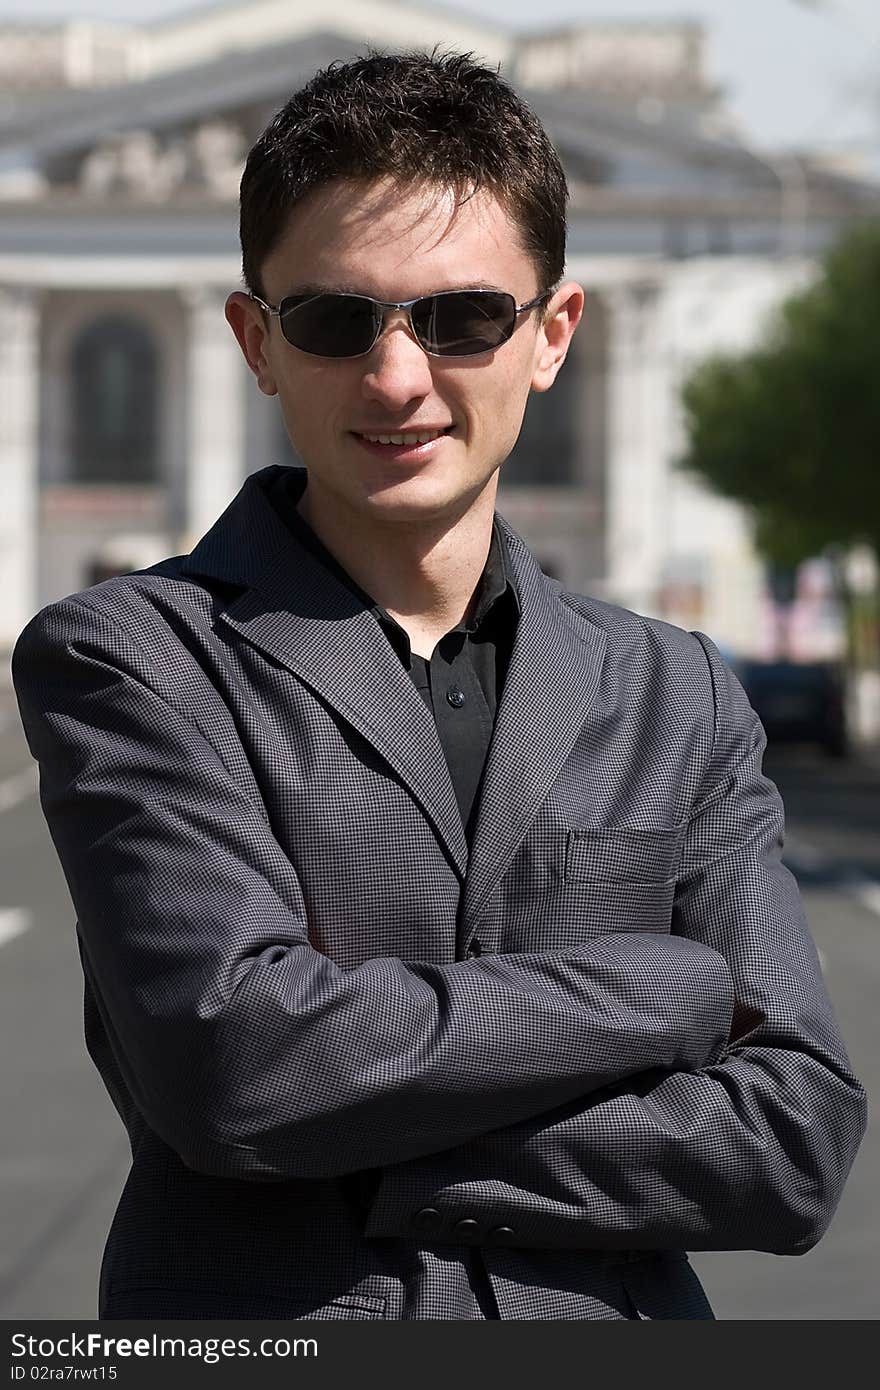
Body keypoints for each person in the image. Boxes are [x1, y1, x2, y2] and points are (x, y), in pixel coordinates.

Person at [11, 51, 866, 1322]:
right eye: (334, 319)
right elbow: (242, 1069)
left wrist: (360, 1137)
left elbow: (790, 1143)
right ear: (254, 339)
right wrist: (666, 987)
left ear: (552, 336)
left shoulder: (672, 686)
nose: (398, 377)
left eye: (463, 317)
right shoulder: (131, 657)